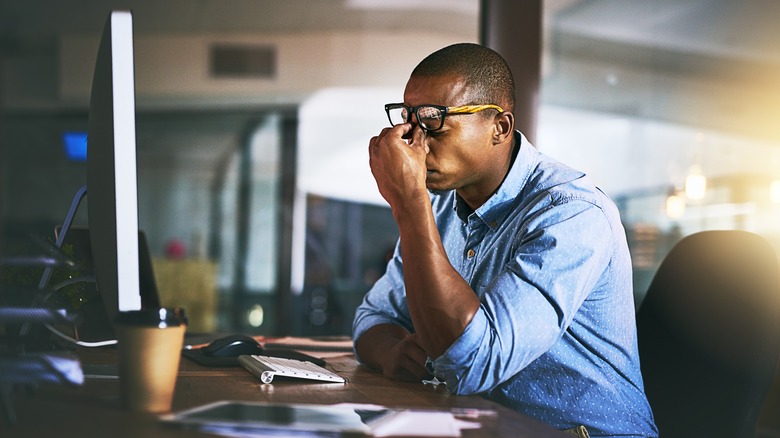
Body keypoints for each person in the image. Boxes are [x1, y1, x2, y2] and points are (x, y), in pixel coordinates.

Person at [352, 43, 658, 437]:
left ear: (500, 127)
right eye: (408, 119)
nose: (414, 141)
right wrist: (393, 351)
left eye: (434, 121)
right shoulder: (443, 208)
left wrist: (409, 204)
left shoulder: (571, 213)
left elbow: (471, 362)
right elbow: (372, 318)